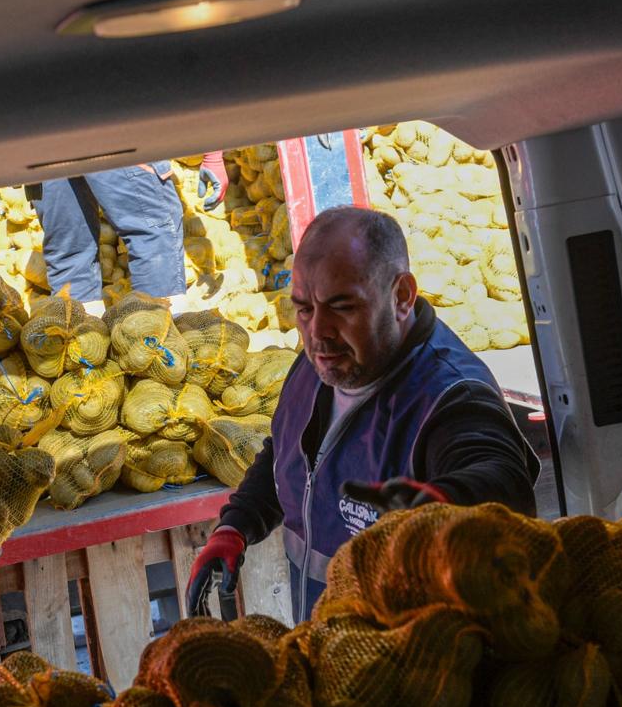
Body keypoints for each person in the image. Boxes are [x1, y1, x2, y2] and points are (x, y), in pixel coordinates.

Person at [186, 206, 540, 621]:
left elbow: (499, 473)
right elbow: (288, 453)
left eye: (343, 307)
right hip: (329, 637)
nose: (318, 331)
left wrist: (442, 504)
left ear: (402, 297)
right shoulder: (318, 365)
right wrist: (236, 525)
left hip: (414, 659)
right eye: (304, 309)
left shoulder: (449, 395)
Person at [30, 162, 187, 315]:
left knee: (71, 256)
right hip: (108, 141)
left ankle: (81, 335)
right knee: (154, 234)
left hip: (39, 149)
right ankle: (159, 332)